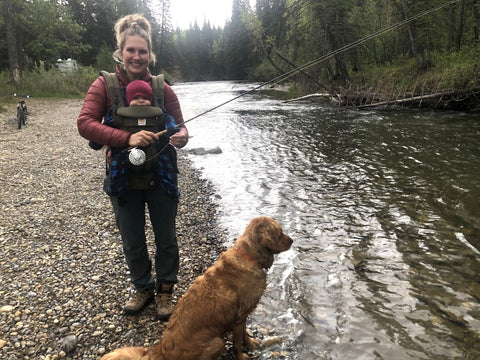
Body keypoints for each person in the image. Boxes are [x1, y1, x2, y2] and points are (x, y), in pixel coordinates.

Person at [77, 13, 189, 320]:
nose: (137, 56)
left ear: (150, 54)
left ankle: (165, 292)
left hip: (162, 176)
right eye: (131, 50)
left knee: (166, 237)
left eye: (142, 51)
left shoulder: (162, 88)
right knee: (133, 239)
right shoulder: (104, 85)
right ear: (121, 51)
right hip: (123, 177)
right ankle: (143, 287)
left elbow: (180, 127)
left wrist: (181, 137)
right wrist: (127, 138)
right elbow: (85, 124)